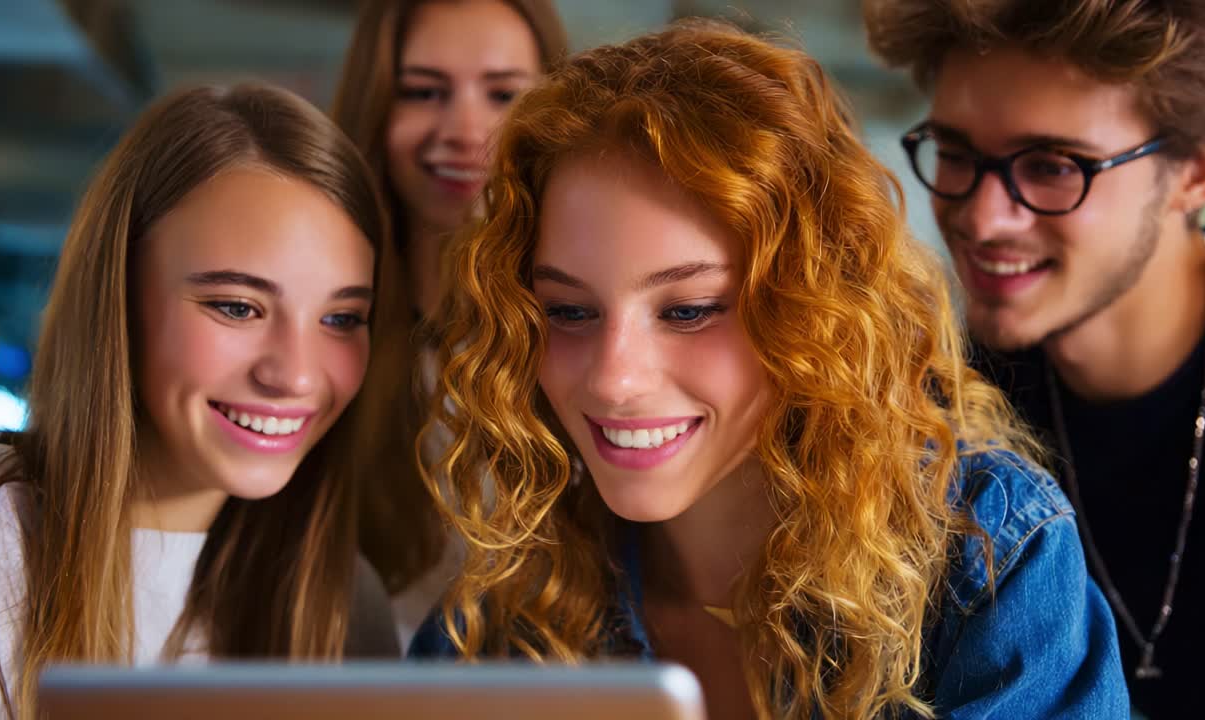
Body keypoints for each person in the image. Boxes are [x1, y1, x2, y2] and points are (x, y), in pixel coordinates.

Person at [408, 21, 1128, 720]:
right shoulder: (509, 603)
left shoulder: (988, 559)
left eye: (690, 310)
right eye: (569, 311)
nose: (612, 380)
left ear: (813, 313)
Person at [863, 1, 1205, 717]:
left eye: (1052, 166)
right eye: (957, 154)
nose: (983, 219)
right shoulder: (944, 395)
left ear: (1201, 171)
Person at [0, 82, 395, 720]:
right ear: (118, 297)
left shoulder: (343, 606)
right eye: (237, 307)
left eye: (342, 318)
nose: (295, 376)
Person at [331, 0, 568, 642]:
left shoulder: (587, 342)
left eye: (504, 93)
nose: (468, 130)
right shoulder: (321, 339)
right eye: (424, 92)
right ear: (376, 107)